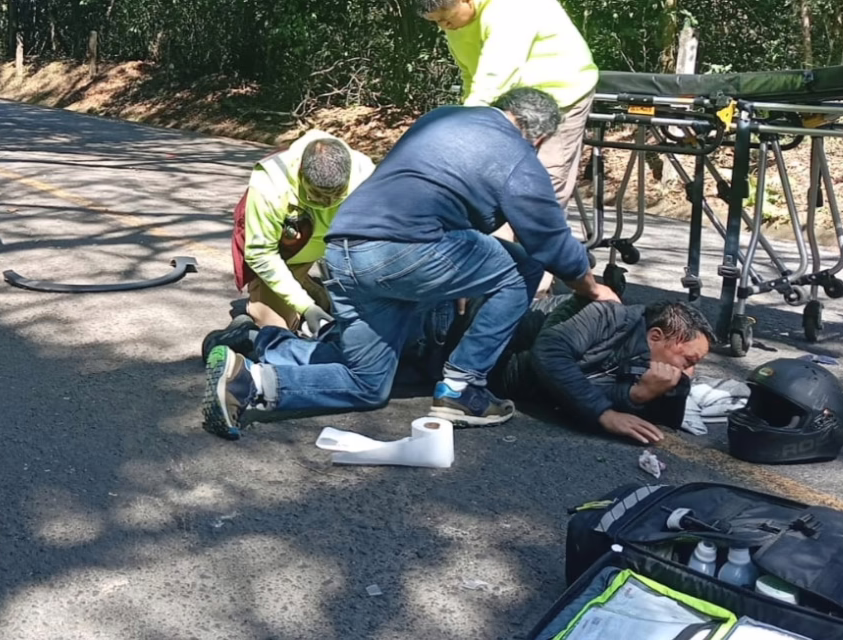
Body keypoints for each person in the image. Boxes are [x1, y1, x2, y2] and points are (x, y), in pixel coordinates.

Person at [201, 88, 619, 440]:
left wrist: (456, 280)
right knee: (522, 266)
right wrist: (591, 287)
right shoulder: (516, 155)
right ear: (539, 138)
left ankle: (248, 381)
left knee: (367, 384)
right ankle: (462, 387)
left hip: (344, 254)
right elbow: (549, 240)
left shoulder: (442, 119)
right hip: (407, 251)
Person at [417, 0, 598, 295]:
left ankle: (537, 288)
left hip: (561, 93)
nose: (444, 27)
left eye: (446, 19)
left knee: (542, 186)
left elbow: (496, 76)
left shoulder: (510, 8)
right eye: (436, 22)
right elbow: (471, 77)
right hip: (510, 100)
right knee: (492, 187)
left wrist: (461, 130)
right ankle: (494, 273)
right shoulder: (455, 23)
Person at [458, 294, 713, 444]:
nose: (688, 373)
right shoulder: (605, 315)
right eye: (688, 361)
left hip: (482, 376)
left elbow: (579, 387)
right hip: (456, 328)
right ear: (656, 337)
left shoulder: (645, 364)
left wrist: (640, 395)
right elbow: (550, 354)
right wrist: (604, 414)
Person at [231, 130, 375, 333]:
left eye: (336, 195)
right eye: (317, 194)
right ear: (300, 173)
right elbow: (261, 254)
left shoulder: (366, 175)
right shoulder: (270, 183)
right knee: (276, 331)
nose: (326, 203)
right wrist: (305, 306)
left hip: (332, 249)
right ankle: (279, 296)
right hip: (286, 255)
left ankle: (310, 286)